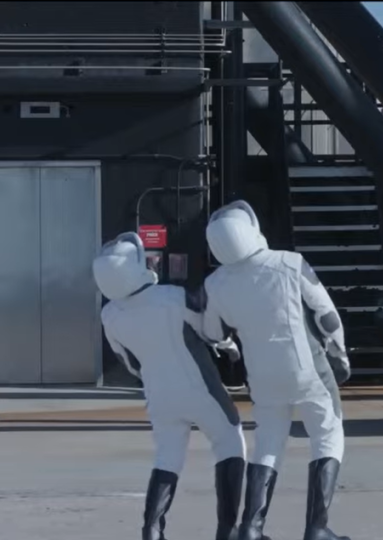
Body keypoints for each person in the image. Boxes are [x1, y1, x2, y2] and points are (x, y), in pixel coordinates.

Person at [201, 200, 351, 540]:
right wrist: (340, 353)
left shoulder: (216, 283)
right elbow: (327, 316)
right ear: (251, 230)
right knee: (327, 436)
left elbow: (213, 333)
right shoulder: (289, 263)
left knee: (268, 444)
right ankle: (317, 527)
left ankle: (251, 528)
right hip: (307, 369)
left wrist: (232, 349)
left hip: (262, 377)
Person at [92, 232, 247, 540]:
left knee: (167, 458)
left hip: (158, 395)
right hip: (199, 388)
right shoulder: (172, 298)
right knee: (230, 442)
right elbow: (211, 331)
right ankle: (228, 530)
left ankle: (151, 530)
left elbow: (130, 364)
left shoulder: (110, 315)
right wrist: (230, 347)